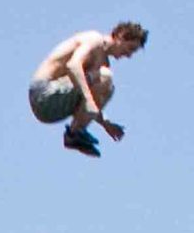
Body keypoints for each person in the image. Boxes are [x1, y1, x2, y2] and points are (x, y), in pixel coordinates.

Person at [27, 23, 149, 156]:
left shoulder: (103, 64)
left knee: (108, 87)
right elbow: (73, 65)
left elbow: (91, 103)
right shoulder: (94, 40)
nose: (129, 55)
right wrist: (88, 99)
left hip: (52, 110)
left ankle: (75, 134)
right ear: (121, 36)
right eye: (130, 48)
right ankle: (74, 134)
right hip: (43, 94)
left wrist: (106, 124)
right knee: (104, 76)